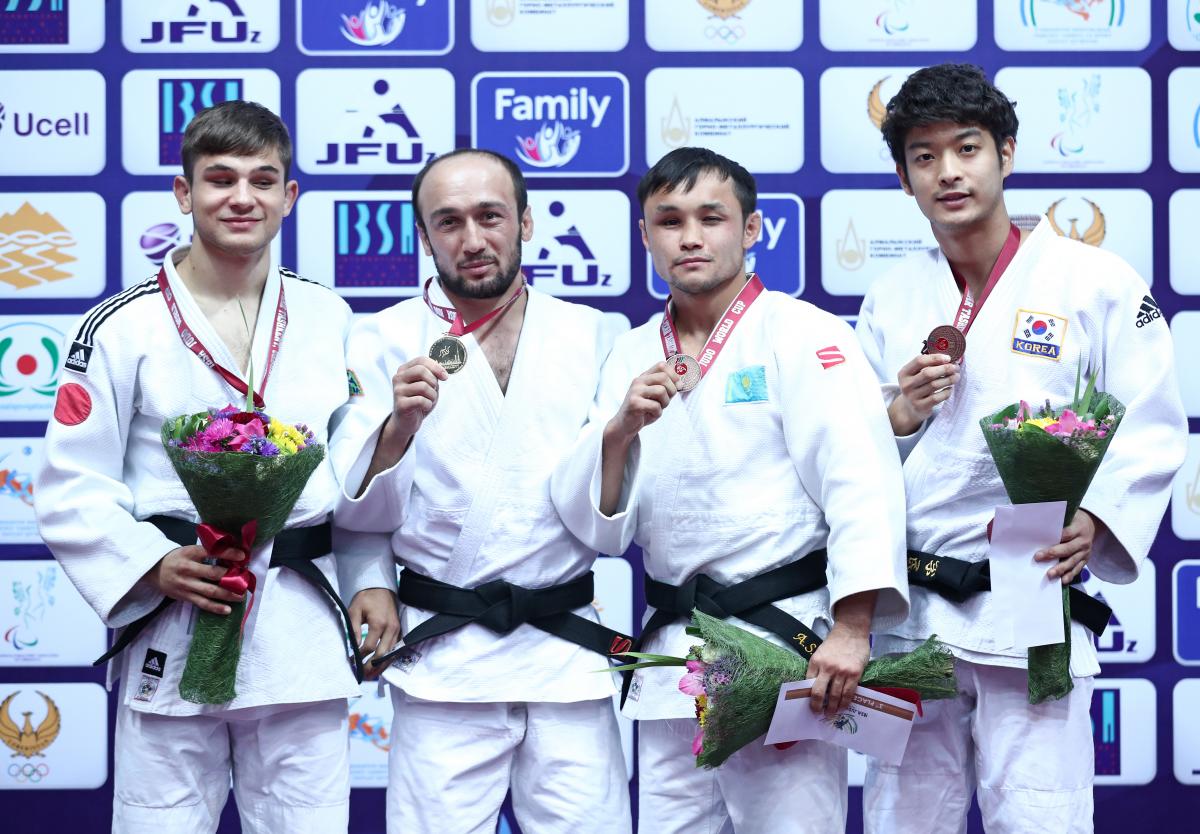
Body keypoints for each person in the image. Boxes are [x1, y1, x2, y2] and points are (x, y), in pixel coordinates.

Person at [854, 63, 1187, 833]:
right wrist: (898, 412)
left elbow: (1152, 418)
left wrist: (1100, 520)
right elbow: (847, 451)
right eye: (924, 156)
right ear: (905, 180)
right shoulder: (893, 297)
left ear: (1006, 152)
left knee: (1043, 814)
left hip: (1032, 593)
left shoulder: (1094, 280)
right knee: (902, 816)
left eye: (966, 148)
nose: (948, 172)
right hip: (913, 606)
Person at [549, 146, 909, 834]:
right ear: (645, 235)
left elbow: (862, 482)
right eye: (669, 220)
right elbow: (599, 528)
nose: (690, 236)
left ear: (750, 230)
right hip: (674, 662)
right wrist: (620, 429)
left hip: (785, 645)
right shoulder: (628, 353)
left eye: (711, 217)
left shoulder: (803, 333)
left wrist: (853, 626)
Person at [34, 100, 369, 833]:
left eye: (262, 178)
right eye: (219, 179)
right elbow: (69, 485)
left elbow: (357, 479)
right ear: (184, 195)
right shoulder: (119, 327)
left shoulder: (328, 317)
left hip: (296, 629)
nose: (241, 197)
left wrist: (370, 582)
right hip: (179, 619)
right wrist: (150, 564)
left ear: (291, 196)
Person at [329, 148, 633, 834]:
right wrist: (397, 428)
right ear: (424, 236)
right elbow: (352, 507)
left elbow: (612, 514)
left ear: (525, 221)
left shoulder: (592, 334)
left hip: (565, 657)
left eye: (490, 217)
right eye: (449, 222)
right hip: (445, 660)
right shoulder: (382, 339)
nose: (472, 240)